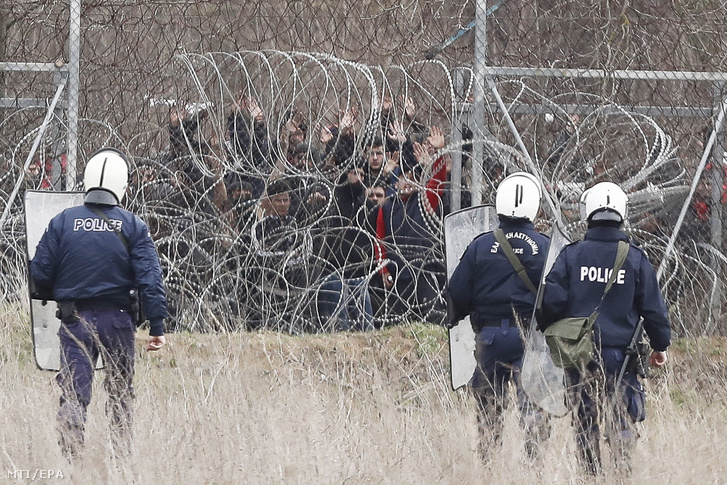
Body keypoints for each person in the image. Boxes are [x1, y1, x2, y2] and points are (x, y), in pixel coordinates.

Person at [29, 148, 168, 459]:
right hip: (119, 321)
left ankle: (72, 461)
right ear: (122, 186)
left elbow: (38, 272)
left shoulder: (63, 221)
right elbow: (150, 279)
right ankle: (121, 460)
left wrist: (62, 290)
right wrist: (156, 325)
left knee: (74, 394)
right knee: (120, 394)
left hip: (75, 320)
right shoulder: (133, 226)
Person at [538, 181, 671, 476]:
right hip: (621, 356)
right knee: (622, 419)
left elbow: (552, 302)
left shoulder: (572, 255)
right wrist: (660, 345)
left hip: (579, 354)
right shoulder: (636, 258)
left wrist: (549, 331)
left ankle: (590, 475)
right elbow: (653, 310)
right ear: (622, 213)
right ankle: (621, 474)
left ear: (588, 213)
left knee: (585, 420)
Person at [447, 172, 551, 463]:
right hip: (530, 339)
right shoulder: (544, 246)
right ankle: (534, 466)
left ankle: (489, 466)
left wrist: (463, 318)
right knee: (532, 410)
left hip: (490, 338)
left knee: (489, 409)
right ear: (533, 205)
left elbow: (456, 293)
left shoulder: (481, 245)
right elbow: (557, 297)